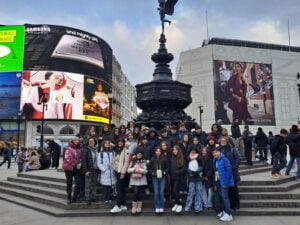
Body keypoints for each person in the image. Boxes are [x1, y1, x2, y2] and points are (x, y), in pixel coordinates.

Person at [212, 148, 234, 222]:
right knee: (222, 197)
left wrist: (225, 182)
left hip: (224, 182)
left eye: (216, 152)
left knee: (225, 198)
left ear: (220, 152)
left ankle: (229, 214)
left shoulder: (225, 159)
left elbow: (229, 171)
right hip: (218, 181)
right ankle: (225, 212)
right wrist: (215, 182)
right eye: (214, 153)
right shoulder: (214, 160)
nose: (215, 154)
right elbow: (215, 171)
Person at [218, 137, 241, 210]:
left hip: (232, 173)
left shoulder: (232, 149)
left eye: (224, 141)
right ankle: (226, 206)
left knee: (233, 190)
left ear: (227, 142)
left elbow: (238, 159)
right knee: (225, 191)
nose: (223, 142)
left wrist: (234, 166)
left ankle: (235, 205)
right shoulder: (219, 150)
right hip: (223, 173)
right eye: (221, 141)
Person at [110, 140, 131, 213]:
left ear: (124, 144)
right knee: (121, 189)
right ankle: (123, 204)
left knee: (119, 189)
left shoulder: (126, 151)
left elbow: (126, 162)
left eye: (121, 142)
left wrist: (122, 173)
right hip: (117, 171)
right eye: (119, 142)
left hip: (121, 172)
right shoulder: (118, 150)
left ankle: (118, 205)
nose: (120, 143)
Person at [62, 136, 83, 204]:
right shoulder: (68, 148)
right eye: (75, 140)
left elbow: (82, 157)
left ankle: (75, 197)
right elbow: (68, 158)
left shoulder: (81, 148)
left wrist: (80, 163)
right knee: (69, 182)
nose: (76, 141)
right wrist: (76, 164)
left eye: (78, 140)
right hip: (69, 168)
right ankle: (69, 197)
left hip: (77, 168)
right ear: (72, 140)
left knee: (78, 182)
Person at [127, 150, 148, 214]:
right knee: (135, 193)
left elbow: (146, 171)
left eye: (140, 154)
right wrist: (134, 169)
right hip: (134, 180)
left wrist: (139, 170)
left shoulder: (144, 161)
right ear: (136, 155)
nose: (139, 155)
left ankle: (139, 207)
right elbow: (128, 170)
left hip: (142, 180)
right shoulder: (133, 161)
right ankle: (134, 207)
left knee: (140, 193)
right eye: (138, 154)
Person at [185, 147, 204, 212]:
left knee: (199, 192)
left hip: (198, 177)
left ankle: (198, 207)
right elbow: (186, 167)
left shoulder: (199, 158)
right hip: (191, 178)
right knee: (190, 192)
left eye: (194, 151)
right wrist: (191, 172)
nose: (193, 152)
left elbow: (201, 166)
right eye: (191, 151)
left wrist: (197, 171)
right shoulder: (188, 159)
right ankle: (188, 207)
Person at [148, 147, 167, 213]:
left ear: (161, 152)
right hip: (155, 177)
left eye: (159, 151)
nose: (158, 152)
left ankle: (161, 206)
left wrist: (164, 171)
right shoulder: (152, 159)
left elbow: (167, 167)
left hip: (162, 177)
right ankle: (157, 206)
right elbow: (149, 168)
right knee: (156, 192)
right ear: (155, 152)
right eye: (157, 151)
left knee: (161, 192)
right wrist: (152, 172)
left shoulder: (163, 159)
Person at [82, 137, 99, 205]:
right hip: (89, 170)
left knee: (94, 184)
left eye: (92, 141)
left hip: (95, 169)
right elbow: (84, 161)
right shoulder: (86, 149)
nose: (91, 142)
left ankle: (93, 197)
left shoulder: (96, 150)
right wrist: (86, 170)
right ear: (88, 142)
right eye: (90, 141)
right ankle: (87, 198)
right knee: (88, 185)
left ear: (95, 142)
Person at [170, 145, 186, 213]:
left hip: (179, 178)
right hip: (173, 177)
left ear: (178, 150)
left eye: (176, 150)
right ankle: (176, 203)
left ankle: (180, 205)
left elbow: (184, 169)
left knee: (175, 191)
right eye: (173, 150)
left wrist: (177, 172)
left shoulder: (182, 158)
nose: (174, 151)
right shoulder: (172, 158)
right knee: (174, 192)